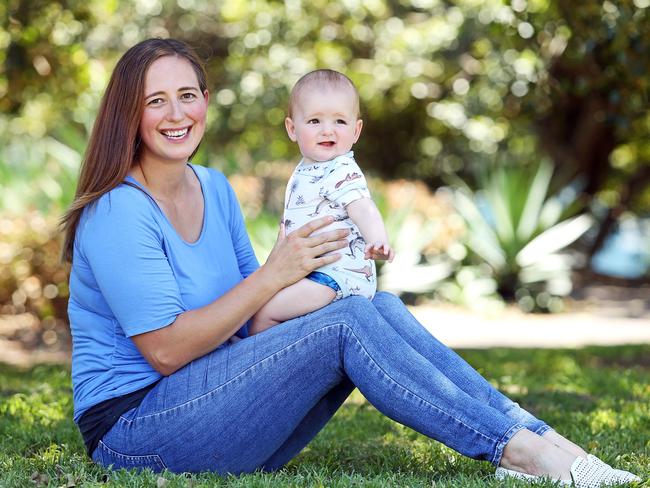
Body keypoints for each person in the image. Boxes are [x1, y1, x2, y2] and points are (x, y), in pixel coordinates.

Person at [60, 38, 640, 487]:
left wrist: (315, 285)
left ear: (206, 101)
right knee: (347, 319)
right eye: (154, 101)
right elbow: (164, 352)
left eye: (187, 95)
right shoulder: (118, 212)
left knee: (374, 303)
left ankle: (542, 440)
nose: (176, 113)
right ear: (128, 114)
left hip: (217, 401)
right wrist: (277, 275)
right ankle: (517, 452)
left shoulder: (213, 187)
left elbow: (251, 321)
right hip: (136, 429)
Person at [250, 69, 394, 334]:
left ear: (356, 130)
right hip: (318, 274)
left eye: (340, 121)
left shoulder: (340, 169)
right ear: (292, 129)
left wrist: (378, 239)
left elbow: (363, 206)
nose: (328, 130)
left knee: (263, 316)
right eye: (315, 121)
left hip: (337, 276)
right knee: (267, 308)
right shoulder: (310, 168)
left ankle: (258, 363)